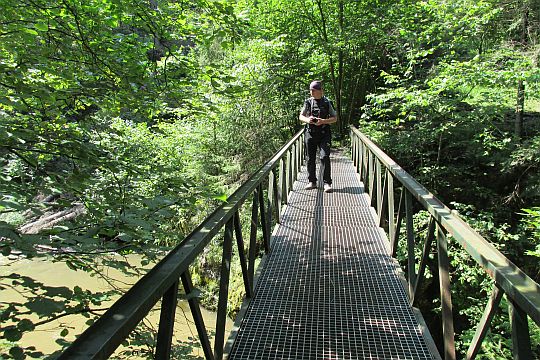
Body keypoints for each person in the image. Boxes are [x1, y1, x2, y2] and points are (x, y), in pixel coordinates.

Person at [299, 80, 337, 193]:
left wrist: (323, 121)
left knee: (324, 157)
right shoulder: (308, 102)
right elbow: (301, 116)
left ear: (320, 91)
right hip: (310, 133)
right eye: (310, 90)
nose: (311, 92)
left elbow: (335, 118)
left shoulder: (327, 102)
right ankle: (312, 182)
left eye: (313, 90)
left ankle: (327, 183)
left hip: (324, 133)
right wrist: (308, 120)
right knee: (310, 158)